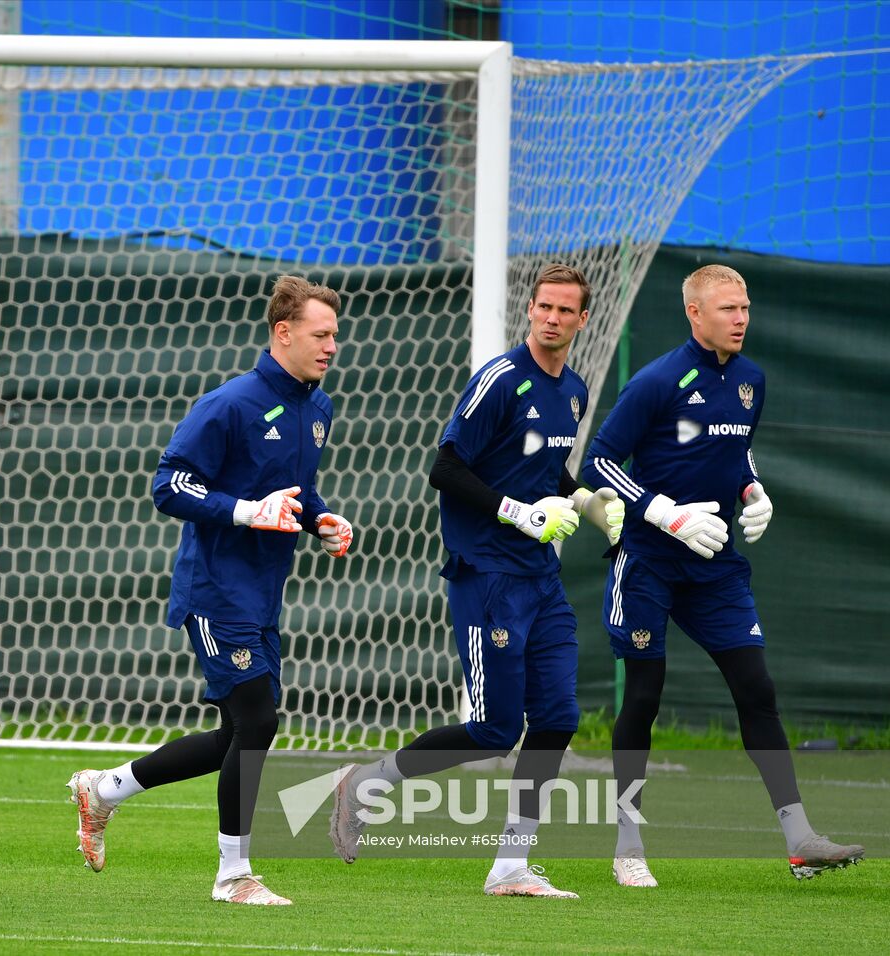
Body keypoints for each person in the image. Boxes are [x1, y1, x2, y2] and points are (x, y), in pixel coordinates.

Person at [330, 263, 623, 898]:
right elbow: (444, 468)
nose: (551, 318)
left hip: (540, 579)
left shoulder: (572, 389)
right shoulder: (499, 378)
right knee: (495, 729)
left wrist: (591, 503)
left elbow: (548, 474)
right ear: (531, 310)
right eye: (543, 306)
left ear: (583, 319)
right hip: (488, 574)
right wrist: (517, 512)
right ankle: (366, 783)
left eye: (565, 310)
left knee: (557, 719)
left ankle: (510, 866)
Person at [66, 275, 356, 906]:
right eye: (321, 333)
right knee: (259, 721)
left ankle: (105, 788)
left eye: (335, 334)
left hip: (263, 593)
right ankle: (233, 876)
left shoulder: (318, 406)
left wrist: (321, 521)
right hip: (216, 590)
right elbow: (169, 484)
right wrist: (244, 512)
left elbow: (297, 494)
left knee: (237, 735)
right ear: (284, 332)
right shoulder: (230, 404)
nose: (332, 345)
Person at [582, 263, 863, 887]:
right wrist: (662, 513)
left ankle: (800, 841)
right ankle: (628, 844)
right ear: (695, 313)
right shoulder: (657, 380)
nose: (741, 318)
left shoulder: (751, 380)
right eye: (728, 308)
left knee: (756, 688)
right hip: (649, 561)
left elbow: (735, 448)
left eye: (746, 307)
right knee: (645, 695)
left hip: (715, 565)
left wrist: (752, 487)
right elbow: (599, 458)